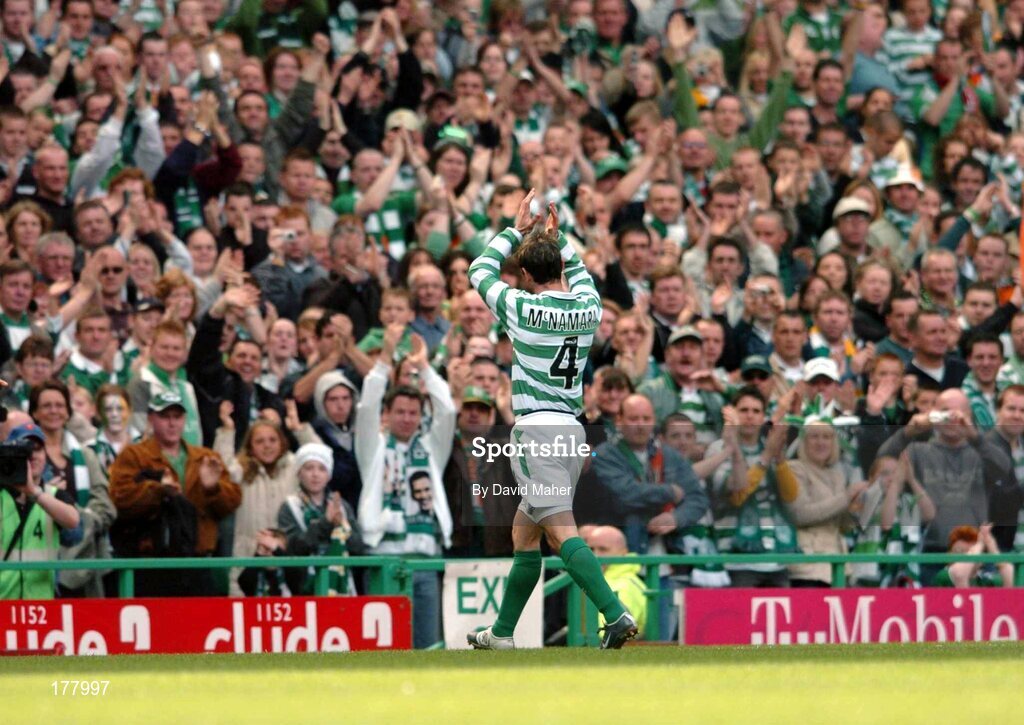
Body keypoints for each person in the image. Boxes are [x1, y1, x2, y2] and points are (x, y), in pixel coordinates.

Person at [465, 190, 638, 650]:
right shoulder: (588, 308)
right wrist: (559, 240)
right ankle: (502, 634)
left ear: (524, 275)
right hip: (571, 430)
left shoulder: (519, 307)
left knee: (561, 533)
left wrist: (515, 230)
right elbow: (580, 273)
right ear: (560, 267)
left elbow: (478, 270)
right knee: (526, 533)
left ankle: (615, 612)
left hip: (537, 429)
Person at [355, 327, 455, 649]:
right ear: (387, 415)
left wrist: (425, 367)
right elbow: (367, 407)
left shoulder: (430, 449)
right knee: (383, 650)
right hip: (383, 561)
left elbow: (448, 411)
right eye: (400, 412)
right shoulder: (373, 449)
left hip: (425, 562)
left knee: (427, 648)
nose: (407, 418)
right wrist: (384, 360)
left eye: (413, 413)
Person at [591, 394, 709, 639]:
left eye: (646, 418)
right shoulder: (605, 455)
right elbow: (627, 494)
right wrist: (670, 491)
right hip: (618, 566)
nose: (640, 424)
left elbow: (697, 499)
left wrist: (675, 518)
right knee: (615, 640)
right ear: (619, 420)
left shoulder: (670, 456)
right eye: (633, 418)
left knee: (661, 641)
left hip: (665, 565)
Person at [109, 392, 242, 596]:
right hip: (152, 564)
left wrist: (212, 488)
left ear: (184, 420)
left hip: (198, 563)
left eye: (177, 417)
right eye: (165, 416)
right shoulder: (134, 455)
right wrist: (158, 490)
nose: (172, 423)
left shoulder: (206, 457)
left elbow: (231, 502)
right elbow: (120, 498)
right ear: (151, 419)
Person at [215, 401, 320, 595]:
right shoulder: (241, 469)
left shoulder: (293, 466)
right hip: (247, 557)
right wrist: (227, 431)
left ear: (281, 441)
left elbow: (319, 458)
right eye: (260, 441)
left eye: (272, 440)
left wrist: (299, 429)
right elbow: (221, 471)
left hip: (288, 557)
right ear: (250, 446)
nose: (267, 446)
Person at [783, 419, 870, 587]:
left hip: (837, 564)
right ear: (804, 442)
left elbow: (843, 526)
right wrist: (846, 496)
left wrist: (855, 508)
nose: (821, 442)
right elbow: (799, 514)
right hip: (808, 567)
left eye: (827, 437)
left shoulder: (837, 473)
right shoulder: (794, 469)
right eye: (814, 437)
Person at [0, 423, 82, 600]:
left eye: (37, 449)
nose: (32, 456)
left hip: (41, 604)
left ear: (46, 455)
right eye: (25, 450)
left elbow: (74, 523)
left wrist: (35, 493)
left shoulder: (54, 495)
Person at [278, 442, 363, 595]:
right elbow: (292, 549)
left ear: (329, 475)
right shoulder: (290, 506)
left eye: (322, 468)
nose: (315, 474)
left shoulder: (341, 506)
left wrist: (343, 525)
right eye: (309, 468)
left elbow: (358, 548)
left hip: (341, 587)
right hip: (303, 589)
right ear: (299, 473)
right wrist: (326, 523)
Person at [584, 526, 648, 640]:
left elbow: (615, 633)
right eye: (591, 549)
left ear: (624, 552)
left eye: (603, 549)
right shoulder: (599, 579)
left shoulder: (625, 586)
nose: (595, 555)